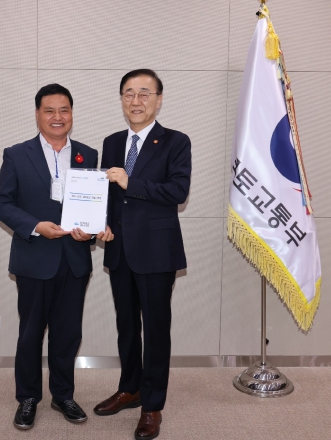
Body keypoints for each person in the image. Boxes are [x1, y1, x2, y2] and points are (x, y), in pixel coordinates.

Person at [0, 83, 114, 430]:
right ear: (37, 114)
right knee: (31, 333)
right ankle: (28, 397)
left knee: (67, 333)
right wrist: (35, 226)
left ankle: (63, 395)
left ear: (71, 114)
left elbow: (95, 203)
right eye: (49, 110)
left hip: (74, 260)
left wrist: (93, 228)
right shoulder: (17, 154)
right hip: (34, 259)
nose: (57, 117)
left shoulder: (88, 154)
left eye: (64, 110)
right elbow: (1, 204)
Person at [94, 69, 191, 440]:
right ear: (121, 99)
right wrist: (101, 223)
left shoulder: (175, 141)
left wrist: (130, 181)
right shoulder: (112, 141)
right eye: (128, 93)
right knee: (126, 327)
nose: (136, 101)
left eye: (144, 93)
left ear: (159, 99)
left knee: (156, 329)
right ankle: (130, 389)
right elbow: (106, 195)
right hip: (119, 249)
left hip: (156, 252)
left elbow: (177, 191)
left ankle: (152, 406)